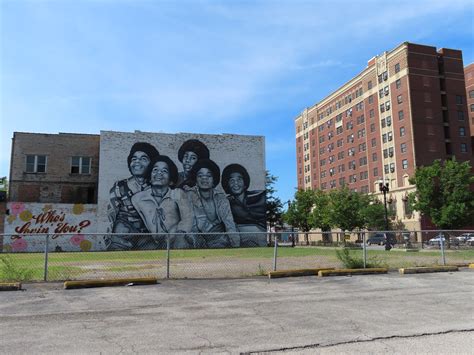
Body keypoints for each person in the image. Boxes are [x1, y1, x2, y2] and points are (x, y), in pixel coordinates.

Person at [131, 155, 193, 249]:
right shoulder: (137, 199)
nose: (159, 173)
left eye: (164, 171)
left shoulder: (178, 194)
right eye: (155, 170)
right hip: (154, 243)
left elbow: (187, 218)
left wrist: (177, 235)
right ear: (150, 178)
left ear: (171, 181)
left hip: (176, 239)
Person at [106, 142, 159, 250]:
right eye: (134, 159)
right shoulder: (119, 187)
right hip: (123, 237)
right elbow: (109, 217)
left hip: (146, 238)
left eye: (143, 158)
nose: (137, 162)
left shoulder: (158, 187)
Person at [187, 159, 239, 248]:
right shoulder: (189, 196)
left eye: (208, 175)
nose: (204, 179)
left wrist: (236, 246)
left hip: (221, 240)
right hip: (197, 241)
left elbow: (229, 223)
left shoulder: (221, 198)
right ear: (195, 178)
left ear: (214, 179)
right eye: (200, 175)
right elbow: (191, 227)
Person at [221, 164, 266, 247]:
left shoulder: (260, 196)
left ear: (245, 182)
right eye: (232, 181)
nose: (236, 184)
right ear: (227, 184)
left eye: (239, 179)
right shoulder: (225, 203)